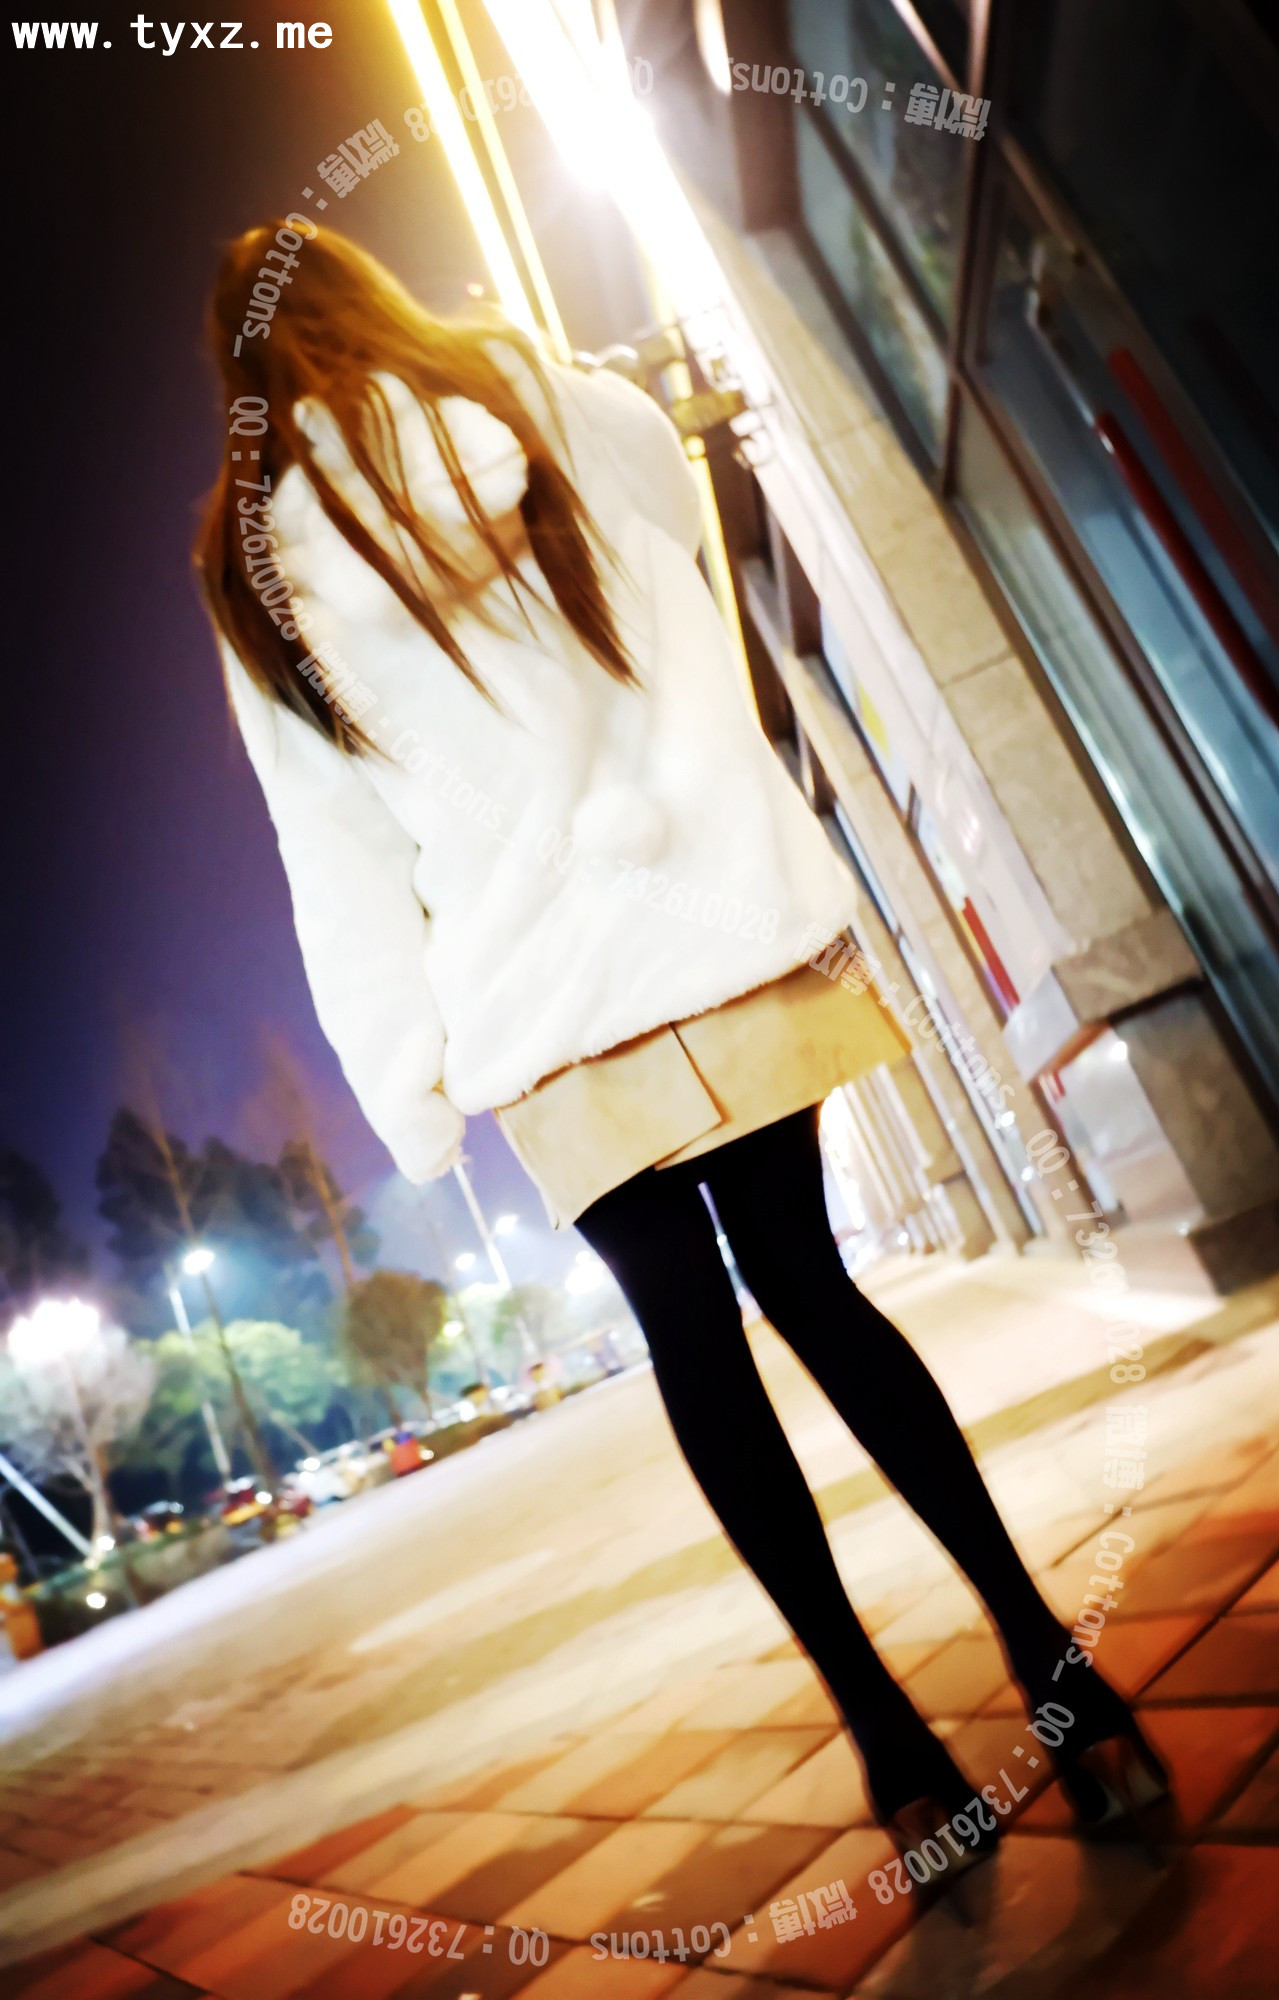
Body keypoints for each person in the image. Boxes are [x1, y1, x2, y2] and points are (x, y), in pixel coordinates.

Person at [196, 222, 1169, 1895]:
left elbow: (335, 852)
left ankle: (889, 1748)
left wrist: (410, 1075)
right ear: (365, 292)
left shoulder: (251, 567)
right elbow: (673, 557)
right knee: (814, 1291)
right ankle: (1059, 1681)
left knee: (692, 1349)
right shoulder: (519, 390)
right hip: (693, 919)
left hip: (532, 995)